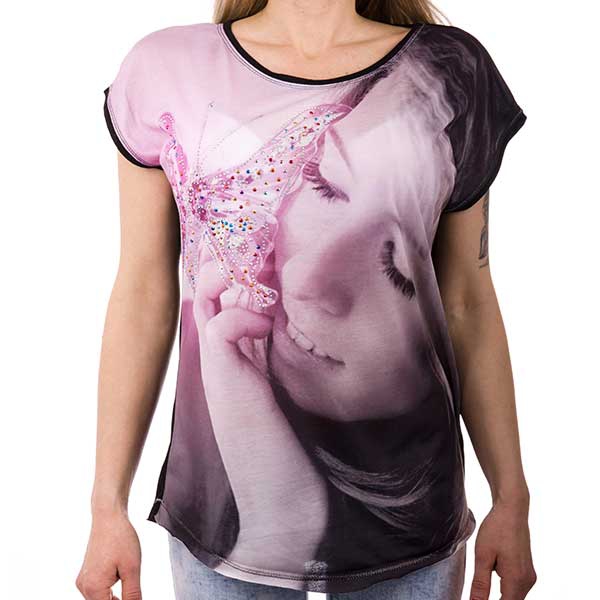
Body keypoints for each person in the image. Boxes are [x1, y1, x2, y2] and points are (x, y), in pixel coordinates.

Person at [76, 1, 537, 599]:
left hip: (415, 538)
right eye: (319, 184)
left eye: (396, 271)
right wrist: (107, 505)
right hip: (212, 535)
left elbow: (467, 304)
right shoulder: (166, 67)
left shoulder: (455, 70)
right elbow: (142, 293)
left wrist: (511, 497)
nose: (311, 277)